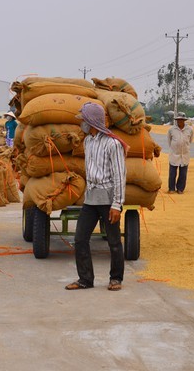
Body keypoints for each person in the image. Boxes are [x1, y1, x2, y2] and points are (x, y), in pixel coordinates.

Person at [65, 102, 127, 291]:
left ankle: (116, 278)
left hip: (108, 199)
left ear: (91, 121)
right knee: (80, 238)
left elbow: (119, 175)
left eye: (83, 119)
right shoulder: (87, 141)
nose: (81, 123)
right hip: (91, 198)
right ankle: (85, 279)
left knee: (114, 241)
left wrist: (117, 204)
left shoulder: (112, 143)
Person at [167, 114, 194, 194]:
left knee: (183, 174)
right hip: (174, 154)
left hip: (185, 154)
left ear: (184, 120)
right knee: (172, 173)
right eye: (178, 119)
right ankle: (171, 188)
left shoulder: (190, 129)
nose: (180, 121)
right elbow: (169, 141)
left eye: (182, 119)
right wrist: (174, 147)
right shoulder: (171, 129)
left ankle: (180, 189)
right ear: (176, 120)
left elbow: (190, 140)